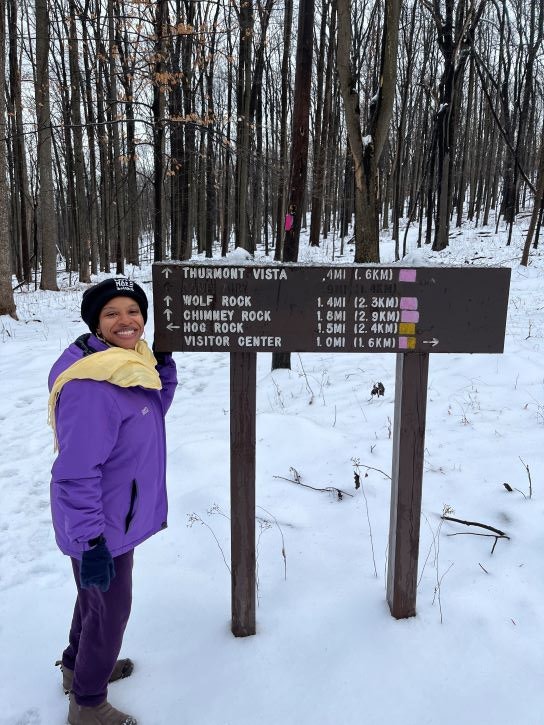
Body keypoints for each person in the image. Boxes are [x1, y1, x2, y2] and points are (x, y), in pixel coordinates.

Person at [48, 278, 177, 725]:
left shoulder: (126, 365)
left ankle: (75, 666)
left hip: (117, 514)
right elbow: (75, 471)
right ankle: (87, 702)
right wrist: (92, 541)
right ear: (96, 324)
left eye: (133, 311)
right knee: (110, 612)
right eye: (112, 314)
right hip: (100, 524)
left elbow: (147, 412)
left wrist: (164, 369)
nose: (126, 321)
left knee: (94, 600)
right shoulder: (91, 385)